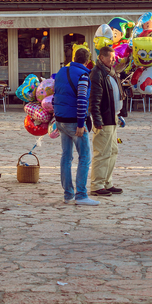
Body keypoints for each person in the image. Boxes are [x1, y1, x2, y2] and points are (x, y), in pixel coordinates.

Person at [54, 47, 99, 206]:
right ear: (87, 61)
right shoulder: (83, 75)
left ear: (74, 57)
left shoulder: (60, 72)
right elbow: (81, 100)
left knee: (66, 157)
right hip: (74, 121)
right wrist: (81, 124)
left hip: (61, 120)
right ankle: (81, 195)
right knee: (85, 157)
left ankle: (68, 195)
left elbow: (55, 95)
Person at [89, 46, 128, 197]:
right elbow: (95, 100)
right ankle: (97, 185)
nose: (113, 59)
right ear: (102, 58)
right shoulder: (97, 74)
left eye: (114, 57)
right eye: (111, 57)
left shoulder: (110, 72)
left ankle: (107, 182)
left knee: (113, 151)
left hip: (113, 118)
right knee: (102, 152)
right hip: (104, 120)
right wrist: (97, 120)